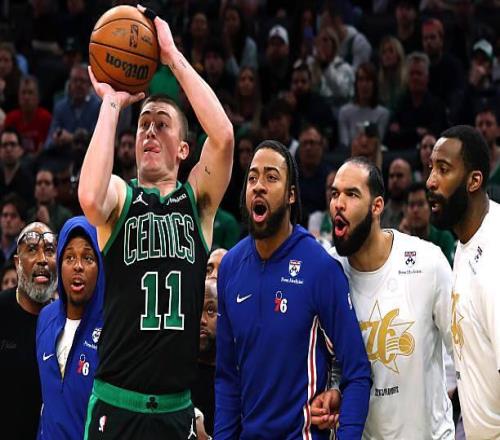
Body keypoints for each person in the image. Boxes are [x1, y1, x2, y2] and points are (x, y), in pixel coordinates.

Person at [78, 5, 234, 439]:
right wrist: (112, 104)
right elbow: (88, 196)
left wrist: (172, 57)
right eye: (143, 125)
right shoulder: (121, 197)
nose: (148, 131)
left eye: (162, 125)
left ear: (184, 150)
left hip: (174, 408)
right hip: (116, 403)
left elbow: (223, 136)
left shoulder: (196, 202)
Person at [215, 140, 371, 438]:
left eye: (271, 177)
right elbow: (226, 377)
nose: (259, 186)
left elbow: (357, 373)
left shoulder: (320, 268)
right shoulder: (231, 266)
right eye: (252, 178)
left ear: (291, 195)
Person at [312, 157, 454, 438]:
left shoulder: (428, 262)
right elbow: (333, 362)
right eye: (335, 194)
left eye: (352, 194)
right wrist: (332, 392)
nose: (339, 203)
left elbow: (461, 351)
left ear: (377, 206)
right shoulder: (328, 271)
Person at [427, 125, 500, 437]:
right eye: (431, 168)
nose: (430, 181)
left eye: (443, 169)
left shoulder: (494, 254)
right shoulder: (466, 241)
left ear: (474, 180)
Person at [36, 216, 104, 439]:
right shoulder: (45, 318)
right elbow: (47, 405)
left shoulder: (113, 327)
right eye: (69, 257)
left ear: (100, 266)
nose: (78, 266)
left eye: (88, 257)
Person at [0, 222, 57, 439]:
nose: (42, 259)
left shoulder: (67, 321)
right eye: (32, 249)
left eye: (49, 250)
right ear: (17, 262)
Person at [399, 182, 456, 265]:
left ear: (430, 208)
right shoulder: (400, 240)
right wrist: (406, 241)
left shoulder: (444, 238)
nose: (415, 210)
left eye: (420, 204)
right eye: (411, 205)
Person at [191, 278, 218, 438]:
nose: (202, 320)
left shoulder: (235, 377)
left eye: (210, 310)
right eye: (196, 310)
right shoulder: (179, 376)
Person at [28, 168, 73, 233]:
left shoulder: (65, 216)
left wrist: (47, 223)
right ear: (35, 191)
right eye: (39, 183)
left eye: (47, 183)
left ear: (55, 191)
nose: (42, 187)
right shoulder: (29, 214)